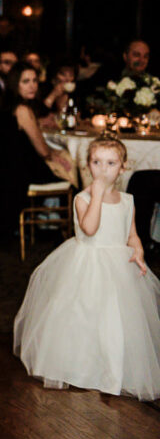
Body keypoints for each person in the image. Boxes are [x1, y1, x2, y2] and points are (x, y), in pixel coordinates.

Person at [13, 138, 160, 401]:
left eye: (111, 163)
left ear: (123, 167)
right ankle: (81, 367)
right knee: (83, 316)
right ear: (88, 166)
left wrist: (138, 251)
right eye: (97, 163)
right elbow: (90, 228)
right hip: (88, 265)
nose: (103, 170)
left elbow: (132, 234)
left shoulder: (127, 201)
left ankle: (113, 370)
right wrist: (98, 195)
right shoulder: (83, 198)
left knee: (115, 320)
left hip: (118, 268)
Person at [0, 63, 73, 243]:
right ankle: (49, 227)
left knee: (58, 165)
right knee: (66, 173)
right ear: (16, 84)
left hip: (0, 173)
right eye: (26, 81)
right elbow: (43, 151)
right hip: (18, 175)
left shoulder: (4, 106)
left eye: (35, 81)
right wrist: (60, 158)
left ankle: (44, 223)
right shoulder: (23, 110)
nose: (32, 86)